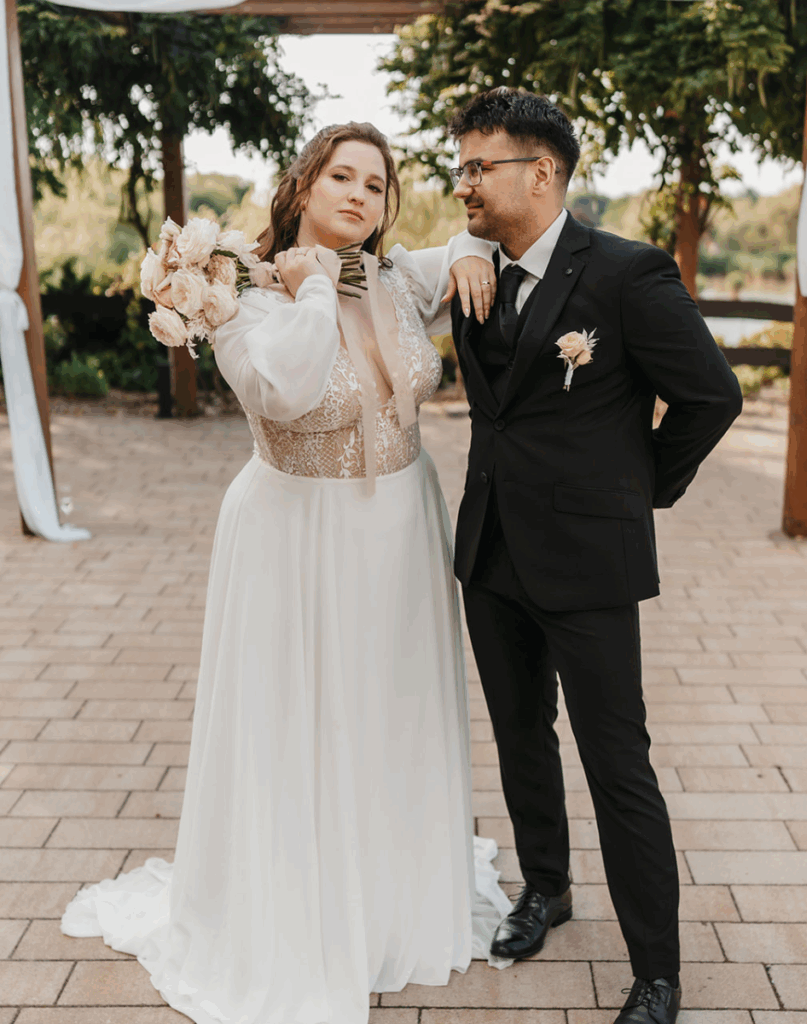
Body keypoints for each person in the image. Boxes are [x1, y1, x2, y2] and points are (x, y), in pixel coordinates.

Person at [61, 122, 512, 1024]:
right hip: (295, 535)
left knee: (389, 708)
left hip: (402, 528)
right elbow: (284, 389)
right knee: (302, 715)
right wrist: (310, 291)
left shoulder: (395, 280)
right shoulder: (240, 293)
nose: (359, 196)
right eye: (342, 176)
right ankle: (298, 914)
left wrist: (467, 248)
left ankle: (387, 902)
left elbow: (479, 244)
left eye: (376, 185)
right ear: (304, 185)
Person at [445, 88, 744, 1024]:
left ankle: (656, 971)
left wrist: (639, 488)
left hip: (588, 561)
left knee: (617, 760)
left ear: (540, 172)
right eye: (458, 167)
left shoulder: (625, 273)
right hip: (490, 550)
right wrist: (458, 249)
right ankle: (546, 887)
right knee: (519, 736)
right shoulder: (474, 268)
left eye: (477, 167)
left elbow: (711, 395)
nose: (462, 184)